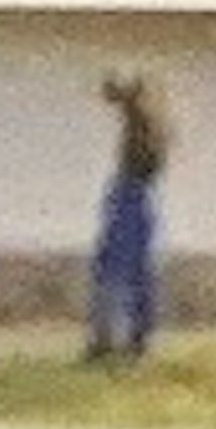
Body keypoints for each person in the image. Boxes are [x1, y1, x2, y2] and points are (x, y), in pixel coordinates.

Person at [83, 71, 168, 367]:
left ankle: (116, 342)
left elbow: (127, 101)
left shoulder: (144, 121)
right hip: (133, 193)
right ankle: (127, 341)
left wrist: (119, 91)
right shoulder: (152, 125)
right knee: (127, 272)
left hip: (130, 194)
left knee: (117, 272)